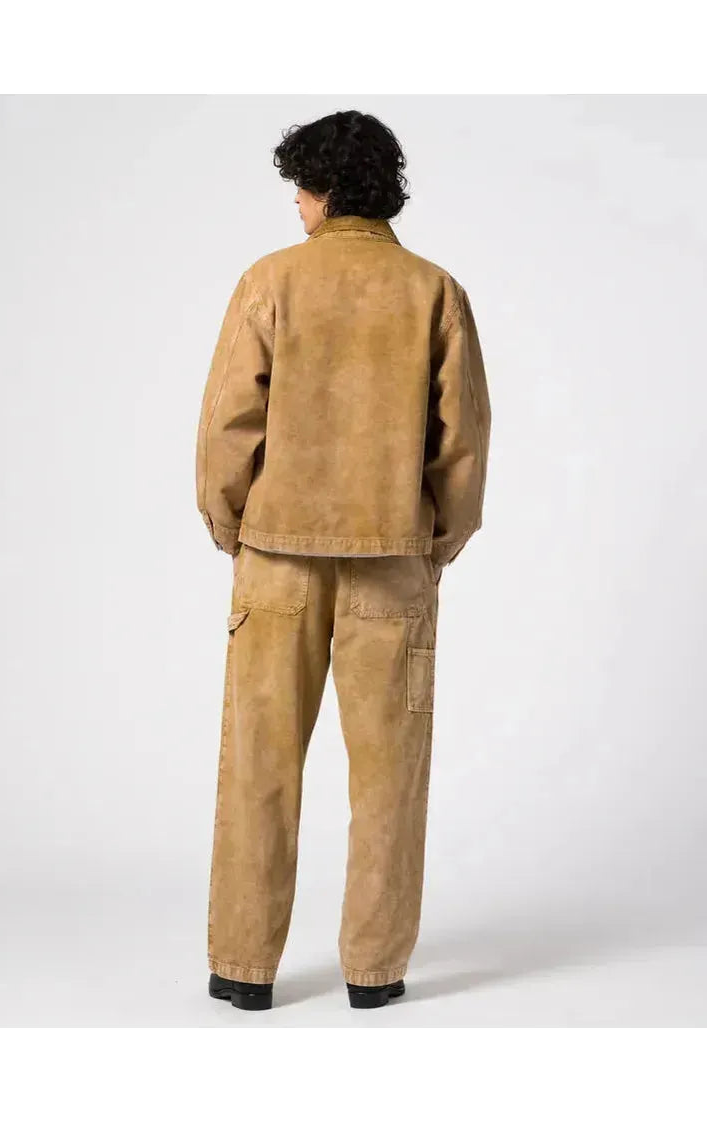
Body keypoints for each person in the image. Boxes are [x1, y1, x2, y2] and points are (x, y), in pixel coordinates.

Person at [195, 109, 491, 1011]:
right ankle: (375, 971)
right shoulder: (433, 290)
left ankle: (243, 970)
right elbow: (463, 442)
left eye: (300, 186)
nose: (295, 203)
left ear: (325, 190)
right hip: (392, 562)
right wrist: (435, 544)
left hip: (277, 561)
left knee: (260, 765)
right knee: (390, 773)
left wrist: (233, 526)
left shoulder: (269, 281)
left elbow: (228, 427)